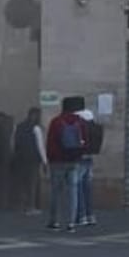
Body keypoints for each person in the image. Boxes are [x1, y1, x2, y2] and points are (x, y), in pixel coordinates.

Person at [45, 97, 88, 233]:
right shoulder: (80, 122)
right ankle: (71, 223)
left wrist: (49, 159)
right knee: (73, 192)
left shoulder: (56, 122)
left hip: (57, 162)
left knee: (56, 192)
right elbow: (84, 141)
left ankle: (54, 221)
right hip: (73, 161)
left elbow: (50, 143)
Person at [13, 108, 47, 215]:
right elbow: (40, 145)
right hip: (33, 159)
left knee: (22, 183)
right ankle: (30, 207)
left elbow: (14, 142)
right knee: (32, 183)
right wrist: (45, 161)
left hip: (20, 158)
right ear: (35, 115)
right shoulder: (36, 128)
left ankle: (20, 206)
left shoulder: (19, 126)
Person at [74, 99, 99, 226]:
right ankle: (91, 215)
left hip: (79, 156)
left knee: (78, 187)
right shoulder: (90, 116)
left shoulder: (76, 117)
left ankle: (81, 215)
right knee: (87, 187)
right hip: (90, 155)